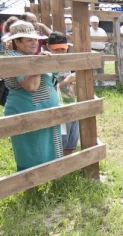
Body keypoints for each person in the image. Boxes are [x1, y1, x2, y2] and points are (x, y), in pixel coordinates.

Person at [2, 21, 62, 171]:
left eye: (35, 39)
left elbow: (54, 75)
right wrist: (38, 63)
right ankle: (32, 189)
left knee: (49, 149)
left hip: (46, 110)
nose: (35, 42)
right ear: (17, 41)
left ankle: (51, 180)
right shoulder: (14, 57)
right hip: (27, 112)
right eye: (29, 40)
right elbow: (31, 86)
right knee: (31, 152)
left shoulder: (32, 55)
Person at [45, 32, 79, 156]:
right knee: (61, 140)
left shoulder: (66, 61)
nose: (61, 52)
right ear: (48, 47)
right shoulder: (46, 63)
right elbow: (48, 89)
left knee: (71, 141)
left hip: (70, 101)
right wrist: (67, 81)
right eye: (57, 50)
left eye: (63, 49)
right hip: (57, 105)